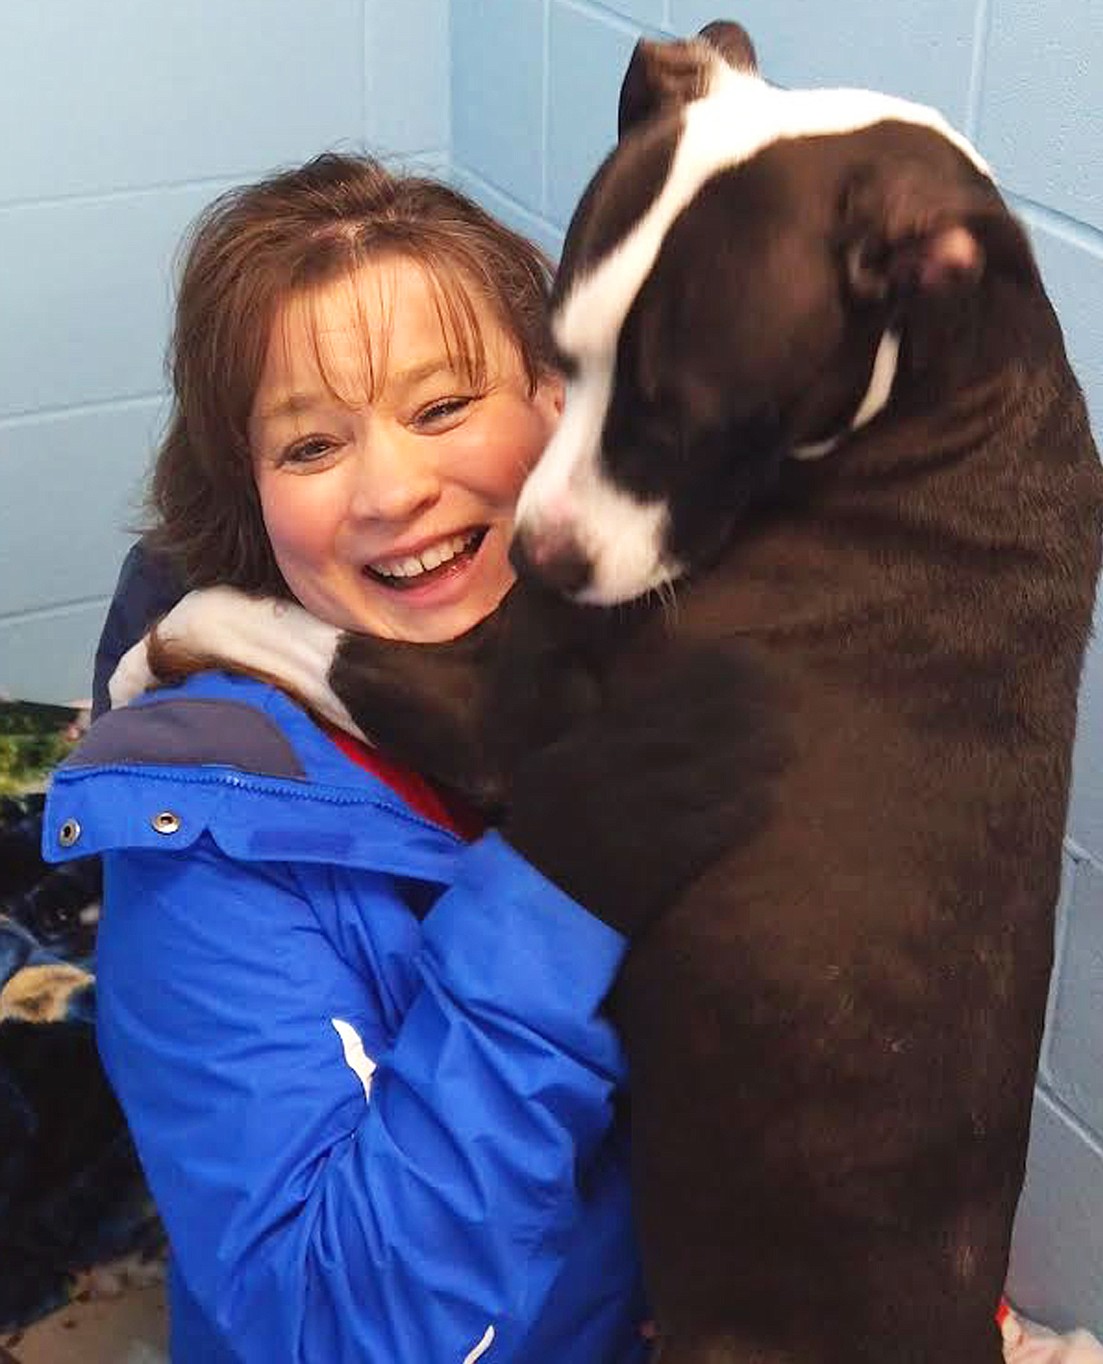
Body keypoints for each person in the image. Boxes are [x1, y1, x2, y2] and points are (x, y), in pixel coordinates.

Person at [41, 152, 758, 1364]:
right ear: (249, 494)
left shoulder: (642, 656)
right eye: (312, 446)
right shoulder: (208, 853)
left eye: (441, 407)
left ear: (553, 404)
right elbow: (342, 1330)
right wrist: (556, 893)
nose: (393, 490)